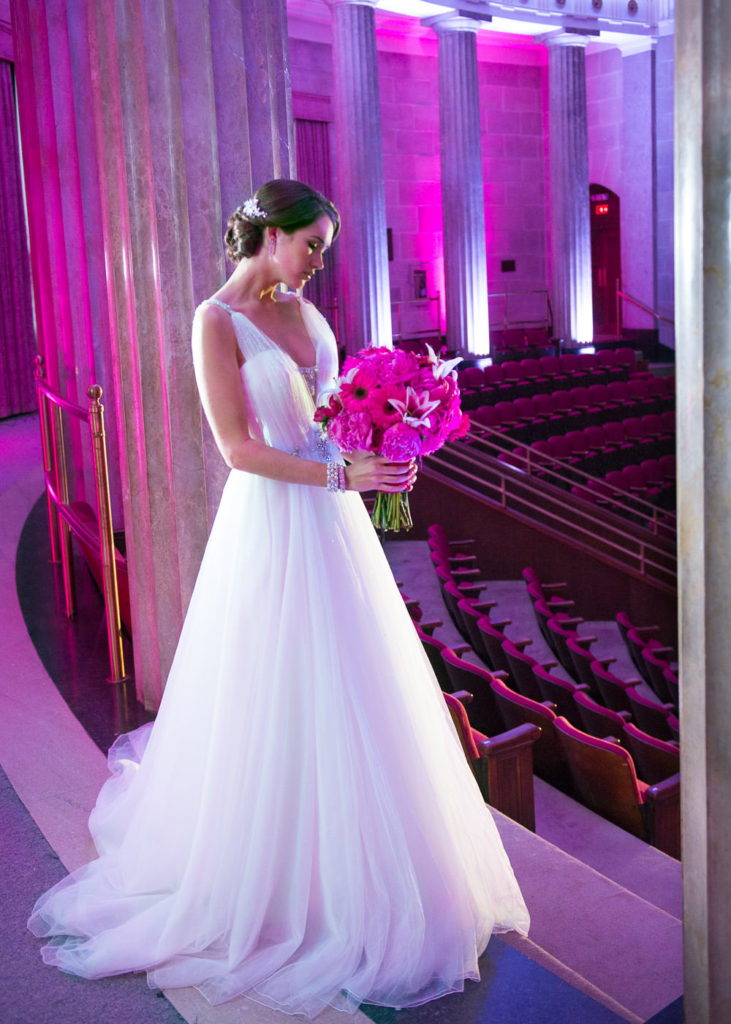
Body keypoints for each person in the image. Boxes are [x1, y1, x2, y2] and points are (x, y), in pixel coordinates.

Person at [28, 179, 529, 1018]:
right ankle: (273, 876)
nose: (318, 261)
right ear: (270, 235)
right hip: (272, 521)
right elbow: (236, 449)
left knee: (357, 683)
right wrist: (342, 476)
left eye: (323, 247)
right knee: (277, 685)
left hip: (335, 521)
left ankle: (369, 867)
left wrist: (386, 442)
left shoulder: (307, 311)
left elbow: (330, 417)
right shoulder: (215, 320)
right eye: (311, 245)